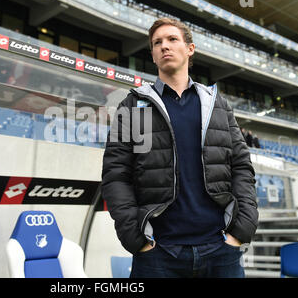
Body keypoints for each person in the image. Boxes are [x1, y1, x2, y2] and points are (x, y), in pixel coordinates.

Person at [101, 17, 258, 278]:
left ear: (190, 49)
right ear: (152, 55)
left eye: (172, 39)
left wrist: (240, 231)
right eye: (157, 43)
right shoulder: (132, 105)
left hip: (220, 250)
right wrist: (136, 239)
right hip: (158, 254)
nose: (165, 46)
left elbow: (241, 167)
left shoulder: (217, 105)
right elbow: (116, 175)